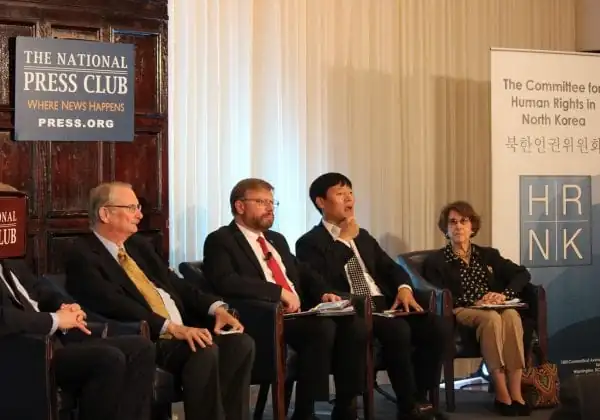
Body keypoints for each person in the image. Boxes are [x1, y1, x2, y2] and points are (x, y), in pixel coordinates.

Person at [65, 182, 255, 420]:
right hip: (147, 336)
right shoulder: (83, 254)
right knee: (203, 350)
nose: (139, 215)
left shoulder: (139, 246)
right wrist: (171, 328)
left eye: (138, 208)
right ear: (105, 214)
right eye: (132, 208)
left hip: (181, 328)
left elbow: (175, 283)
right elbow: (114, 303)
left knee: (240, 343)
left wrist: (216, 308)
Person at [203, 178, 368, 420]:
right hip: (264, 317)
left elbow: (302, 270)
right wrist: (277, 292)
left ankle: (345, 406)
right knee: (321, 329)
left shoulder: (276, 239)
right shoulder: (221, 239)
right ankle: (305, 411)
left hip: (298, 313)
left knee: (353, 323)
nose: (270, 208)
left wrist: (323, 292)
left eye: (272, 202)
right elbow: (226, 280)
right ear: (240, 206)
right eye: (262, 202)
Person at [295, 173, 448, 420]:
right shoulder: (309, 243)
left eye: (350, 193)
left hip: (384, 304)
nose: (349, 199)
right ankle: (407, 405)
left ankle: (421, 395)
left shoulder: (363, 236)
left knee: (437, 325)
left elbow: (391, 268)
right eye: (340, 194)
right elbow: (321, 283)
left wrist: (404, 288)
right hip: (353, 308)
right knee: (397, 330)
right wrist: (343, 240)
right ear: (321, 202)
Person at [0, 183, 155, 420]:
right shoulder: (82, 253)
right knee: (108, 359)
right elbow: (5, 318)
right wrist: (55, 319)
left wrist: (64, 306)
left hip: (55, 341)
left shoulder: (11, 258)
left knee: (141, 347)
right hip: (24, 351)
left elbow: (41, 290)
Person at [421, 200, 531, 416]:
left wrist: (504, 295)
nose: (458, 226)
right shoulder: (437, 261)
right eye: (453, 222)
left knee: (511, 315)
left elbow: (522, 274)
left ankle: (516, 394)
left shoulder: (488, 255)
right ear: (445, 229)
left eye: (463, 221)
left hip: (494, 306)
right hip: (462, 309)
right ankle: (502, 394)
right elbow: (439, 293)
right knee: (492, 319)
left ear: (472, 227)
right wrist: (475, 301)